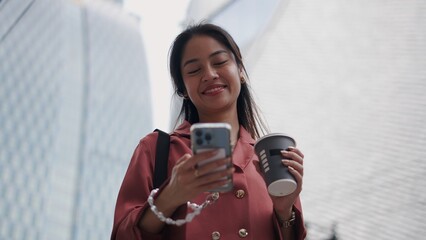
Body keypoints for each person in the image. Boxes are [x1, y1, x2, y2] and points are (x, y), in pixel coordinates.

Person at [111, 22, 306, 240]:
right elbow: (122, 235)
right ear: (183, 89)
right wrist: (170, 196)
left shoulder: (269, 159)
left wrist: (284, 211)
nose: (210, 74)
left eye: (220, 62)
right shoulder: (157, 149)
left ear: (240, 70)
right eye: (194, 70)